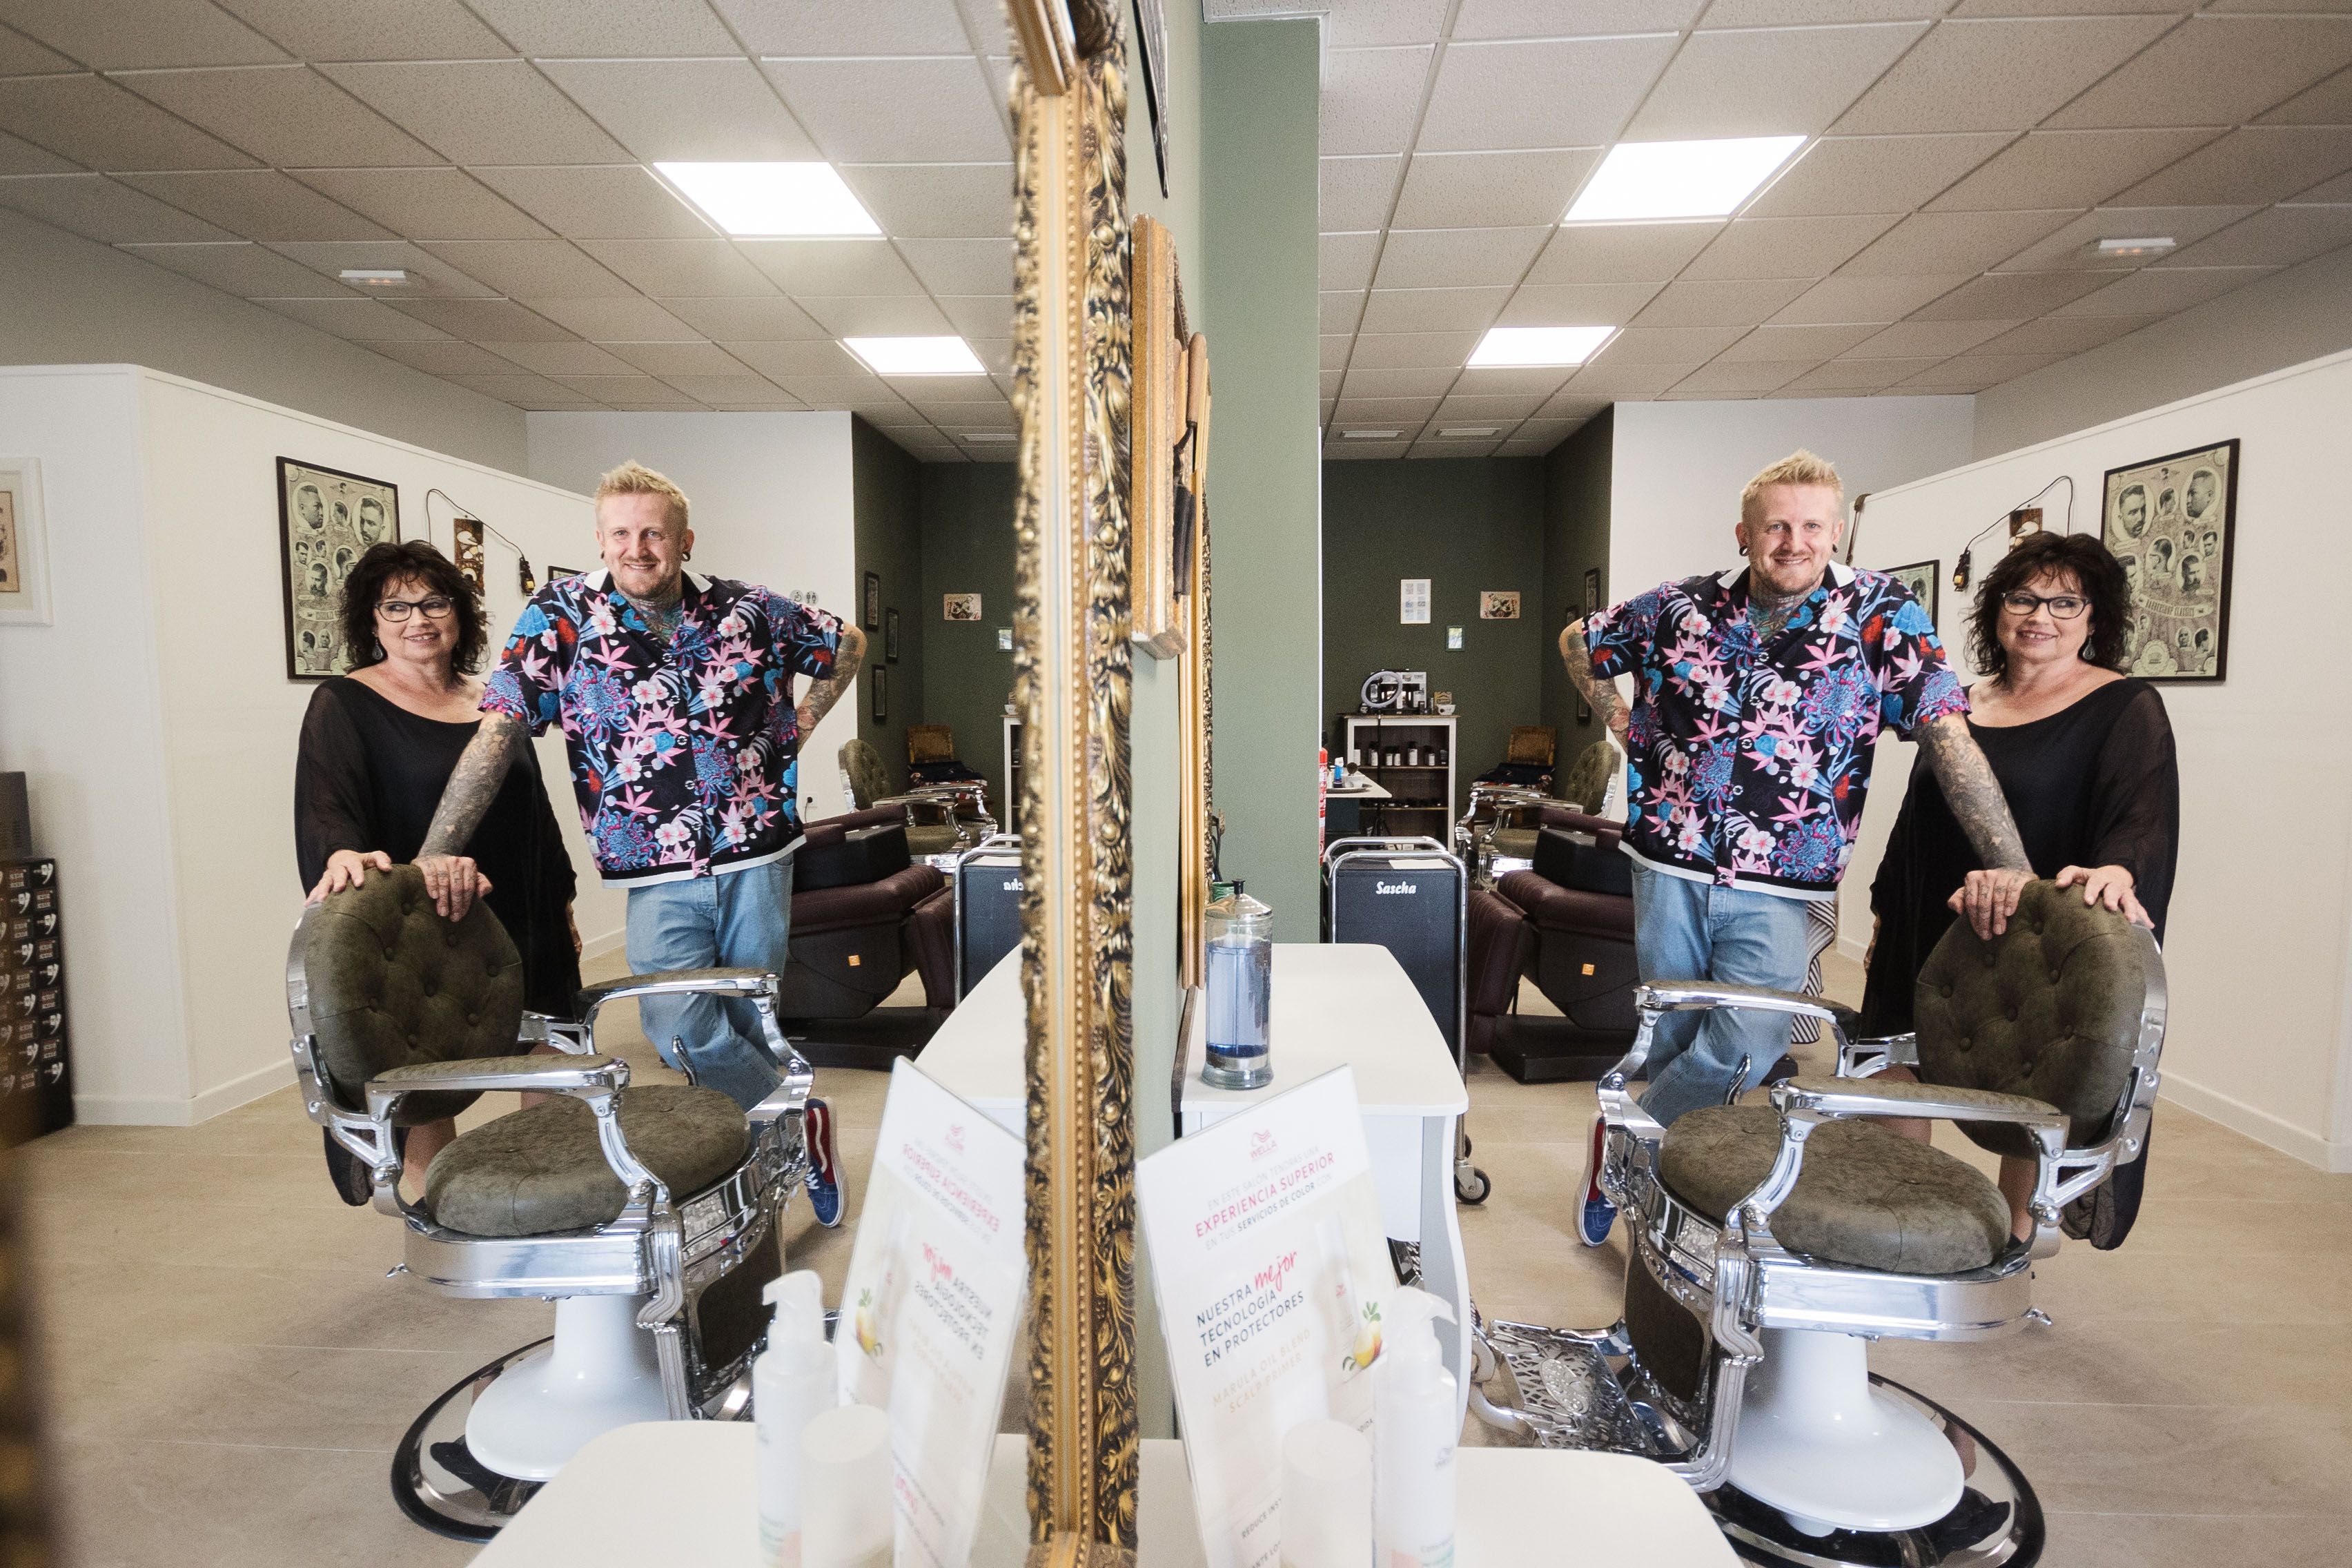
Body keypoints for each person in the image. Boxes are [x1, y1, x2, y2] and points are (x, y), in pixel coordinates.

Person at [1558, 449, 2035, 1246]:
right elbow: (1582, 637)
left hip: (1785, 879)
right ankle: (1671, 1204)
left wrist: (2014, 866)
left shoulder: (1882, 614)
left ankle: (1623, 1141)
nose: (1793, 541)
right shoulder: (1683, 606)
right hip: (1667, 860)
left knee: (1748, 1044)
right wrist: (1615, 713)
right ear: (1744, 534)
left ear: (1837, 532)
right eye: (1776, 525)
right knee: (1677, 1034)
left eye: (1812, 526)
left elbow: (1947, 736)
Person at [411, 461, 866, 1226]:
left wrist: (802, 725)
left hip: (757, 851)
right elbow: (499, 731)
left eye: (653, 532)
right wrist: (435, 849)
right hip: (653, 870)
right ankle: (800, 1119)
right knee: (680, 1025)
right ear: (600, 539)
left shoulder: (746, 609)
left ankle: (743, 1185)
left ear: (684, 540)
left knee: (752, 1019)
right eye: (621, 533)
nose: (638, 547)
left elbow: (845, 642)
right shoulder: (561, 617)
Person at [1862, 531, 2177, 1248]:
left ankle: (2013, 1247)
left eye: (2066, 602)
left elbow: (2142, 812)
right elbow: (1917, 816)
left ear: (2095, 618)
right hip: (1928, 916)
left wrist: (2118, 869)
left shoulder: (2125, 706)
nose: (2042, 615)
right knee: (1896, 1068)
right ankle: (1908, 1231)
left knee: (2032, 1092)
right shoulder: (1959, 702)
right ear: (1997, 609)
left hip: (2037, 928)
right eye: (2024, 597)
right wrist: (1886, 906)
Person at [295, 540, 582, 1204]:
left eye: (433, 601)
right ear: (371, 621)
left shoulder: (496, 700)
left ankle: (547, 1198)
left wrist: (562, 903)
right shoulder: (344, 703)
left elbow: (535, 808)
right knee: (427, 1077)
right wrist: (343, 853)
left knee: (550, 1054)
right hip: (423, 920)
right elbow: (327, 804)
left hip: (522, 910)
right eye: (395, 606)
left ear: (460, 613)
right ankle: (443, 1217)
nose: (416, 619)